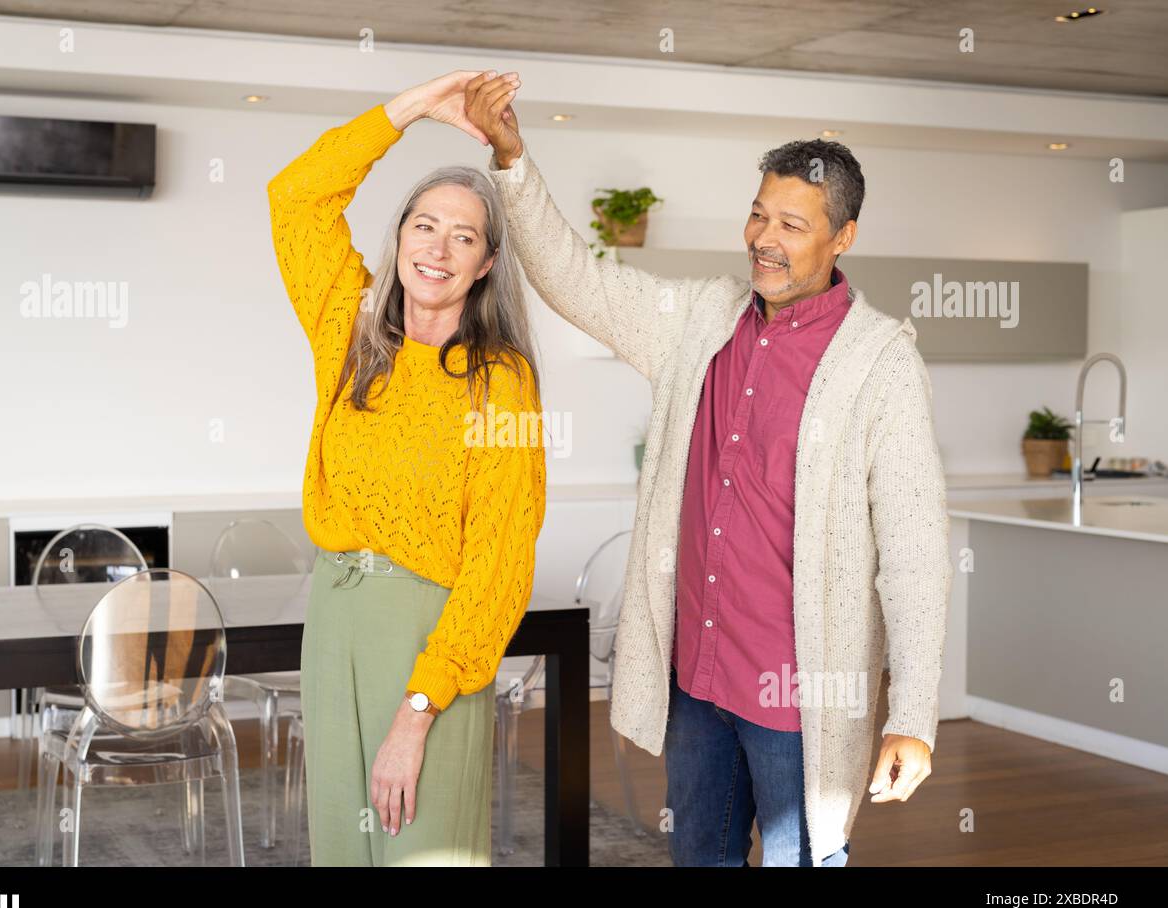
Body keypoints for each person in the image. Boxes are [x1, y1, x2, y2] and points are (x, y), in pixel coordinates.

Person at [453, 70, 950, 866]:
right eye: (759, 212)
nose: (765, 236)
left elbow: (917, 554)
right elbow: (578, 280)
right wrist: (513, 157)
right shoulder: (701, 320)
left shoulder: (882, 363)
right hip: (701, 682)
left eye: (792, 222)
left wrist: (914, 717)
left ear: (842, 237)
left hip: (801, 700)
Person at [266, 70, 546, 866]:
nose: (438, 248)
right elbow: (297, 198)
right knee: (343, 851)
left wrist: (417, 708)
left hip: (433, 639)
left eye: (463, 236)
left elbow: (499, 564)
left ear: (487, 263)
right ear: (399, 238)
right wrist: (412, 110)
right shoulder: (348, 331)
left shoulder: (501, 382)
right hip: (335, 617)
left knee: (426, 850)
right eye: (424, 225)